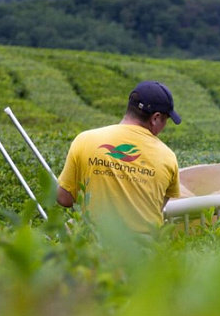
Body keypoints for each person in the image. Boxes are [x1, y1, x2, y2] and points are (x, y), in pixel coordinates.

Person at [57, 80, 182, 232]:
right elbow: (154, 207)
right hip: (143, 249)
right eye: (165, 120)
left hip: (92, 246)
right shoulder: (167, 157)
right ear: (155, 118)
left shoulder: (85, 140)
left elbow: (64, 198)